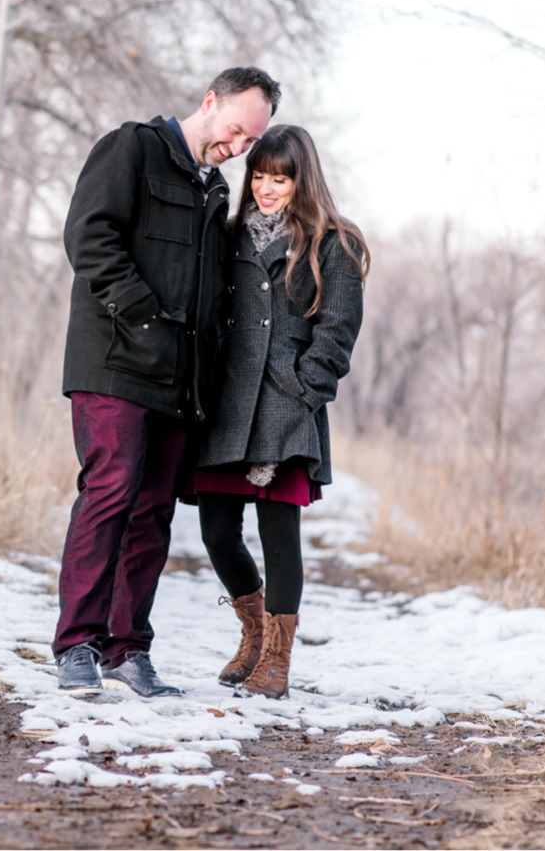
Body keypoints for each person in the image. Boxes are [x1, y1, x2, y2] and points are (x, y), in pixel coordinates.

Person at [55, 67, 279, 698]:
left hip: (179, 384)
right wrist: (146, 317)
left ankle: (128, 649)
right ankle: (77, 644)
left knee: (153, 512)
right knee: (110, 493)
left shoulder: (213, 189)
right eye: (235, 131)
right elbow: (89, 237)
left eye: (248, 142)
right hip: (116, 365)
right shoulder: (132, 148)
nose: (237, 149)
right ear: (210, 102)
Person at [189, 124, 368, 699]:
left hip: (285, 408)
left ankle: (277, 660)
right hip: (226, 405)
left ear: (302, 179)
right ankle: (254, 630)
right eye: (260, 176)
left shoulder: (332, 243)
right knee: (217, 531)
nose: (267, 188)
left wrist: (302, 390)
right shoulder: (228, 235)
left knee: (278, 533)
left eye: (281, 178)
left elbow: (337, 333)